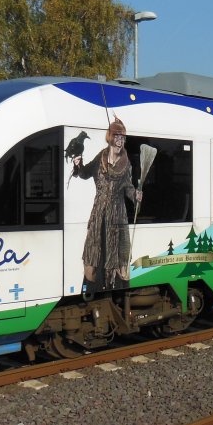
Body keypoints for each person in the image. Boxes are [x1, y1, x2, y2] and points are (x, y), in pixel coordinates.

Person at [72, 117, 141, 293]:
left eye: (123, 138)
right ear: (110, 138)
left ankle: (118, 293)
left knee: (118, 262)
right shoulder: (100, 157)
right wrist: (78, 165)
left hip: (117, 217)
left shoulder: (126, 164)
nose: (120, 142)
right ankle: (90, 292)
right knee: (93, 257)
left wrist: (136, 195)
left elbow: (128, 188)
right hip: (98, 216)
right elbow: (85, 173)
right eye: (117, 137)